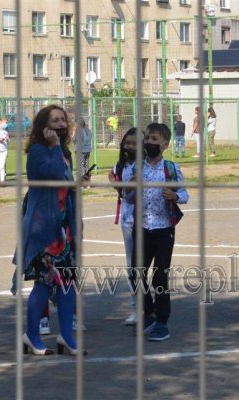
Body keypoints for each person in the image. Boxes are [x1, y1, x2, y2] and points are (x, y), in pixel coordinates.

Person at [17, 104, 89, 356]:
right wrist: (56, 146)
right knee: (44, 283)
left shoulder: (64, 151)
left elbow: (63, 183)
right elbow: (54, 175)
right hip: (44, 228)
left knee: (67, 282)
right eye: (55, 120)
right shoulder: (38, 151)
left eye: (63, 120)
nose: (60, 124)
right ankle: (32, 335)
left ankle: (66, 337)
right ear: (43, 125)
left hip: (64, 226)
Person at [124, 122, 189, 341]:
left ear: (165, 144)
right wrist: (130, 188)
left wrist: (175, 196)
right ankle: (149, 313)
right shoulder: (136, 168)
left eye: (154, 140)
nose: (149, 143)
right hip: (142, 227)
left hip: (164, 229)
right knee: (136, 273)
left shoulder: (171, 168)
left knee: (160, 277)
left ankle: (162, 321)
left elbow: (185, 195)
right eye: (147, 139)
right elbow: (128, 198)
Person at [109, 127, 138, 326]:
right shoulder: (121, 165)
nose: (130, 147)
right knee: (133, 266)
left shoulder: (146, 165)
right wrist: (116, 182)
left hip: (150, 221)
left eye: (135, 143)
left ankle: (151, 307)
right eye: (127, 143)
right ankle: (136, 308)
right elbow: (112, 175)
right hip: (128, 221)